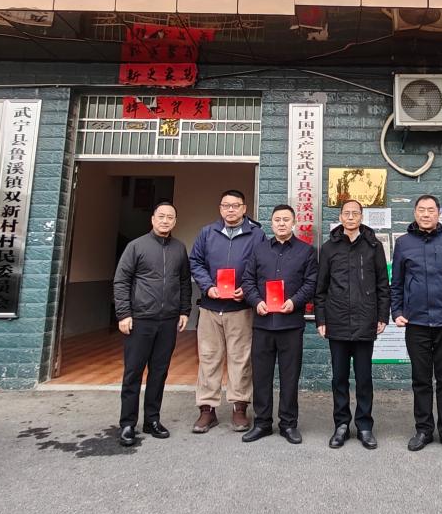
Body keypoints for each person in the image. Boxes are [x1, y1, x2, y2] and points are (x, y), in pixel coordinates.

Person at [390, 194, 442, 455]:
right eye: (421, 210)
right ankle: (424, 430)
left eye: (430, 210)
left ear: (438, 214)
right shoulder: (403, 243)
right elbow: (397, 283)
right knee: (421, 379)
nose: (426, 214)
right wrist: (397, 311)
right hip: (415, 321)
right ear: (415, 213)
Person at [113, 201, 190, 447]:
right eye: (161, 216)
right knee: (133, 372)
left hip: (168, 321)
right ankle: (127, 423)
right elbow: (121, 281)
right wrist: (124, 314)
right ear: (153, 219)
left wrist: (184, 310)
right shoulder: (136, 246)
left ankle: (152, 420)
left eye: (170, 217)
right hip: (140, 320)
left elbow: (184, 281)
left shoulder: (179, 248)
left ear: (175, 221)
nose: (165, 221)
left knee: (159, 371)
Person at [189, 190, 266, 434]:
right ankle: (207, 409)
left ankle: (239, 407)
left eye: (235, 205)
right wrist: (207, 286)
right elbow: (195, 262)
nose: (230, 210)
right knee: (208, 357)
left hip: (240, 308)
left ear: (244, 208)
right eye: (226, 205)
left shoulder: (257, 234)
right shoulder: (207, 232)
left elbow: (262, 266)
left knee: (240, 358)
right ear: (220, 208)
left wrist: (248, 289)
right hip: (210, 307)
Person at [315, 199, 390, 450]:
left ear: (361, 216)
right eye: (346, 213)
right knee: (339, 378)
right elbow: (321, 288)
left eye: (355, 213)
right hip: (336, 321)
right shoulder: (329, 248)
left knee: (364, 378)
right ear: (340, 217)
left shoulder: (373, 246)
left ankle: (365, 425)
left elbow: (383, 284)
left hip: (365, 320)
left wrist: (382, 316)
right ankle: (341, 425)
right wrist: (321, 319)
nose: (350, 217)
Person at [240, 204, 318, 445]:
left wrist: (294, 302)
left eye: (286, 219)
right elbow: (247, 280)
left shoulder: (307, 251)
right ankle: (262, 423)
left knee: (289, 376)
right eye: (277, 220)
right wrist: (257, 301)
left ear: (294, 223)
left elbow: (311, 283)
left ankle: (288, 424)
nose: (281, 223)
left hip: (291, 324)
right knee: (261, 376)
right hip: (263, 323)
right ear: (271, 223)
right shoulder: (259, 250)